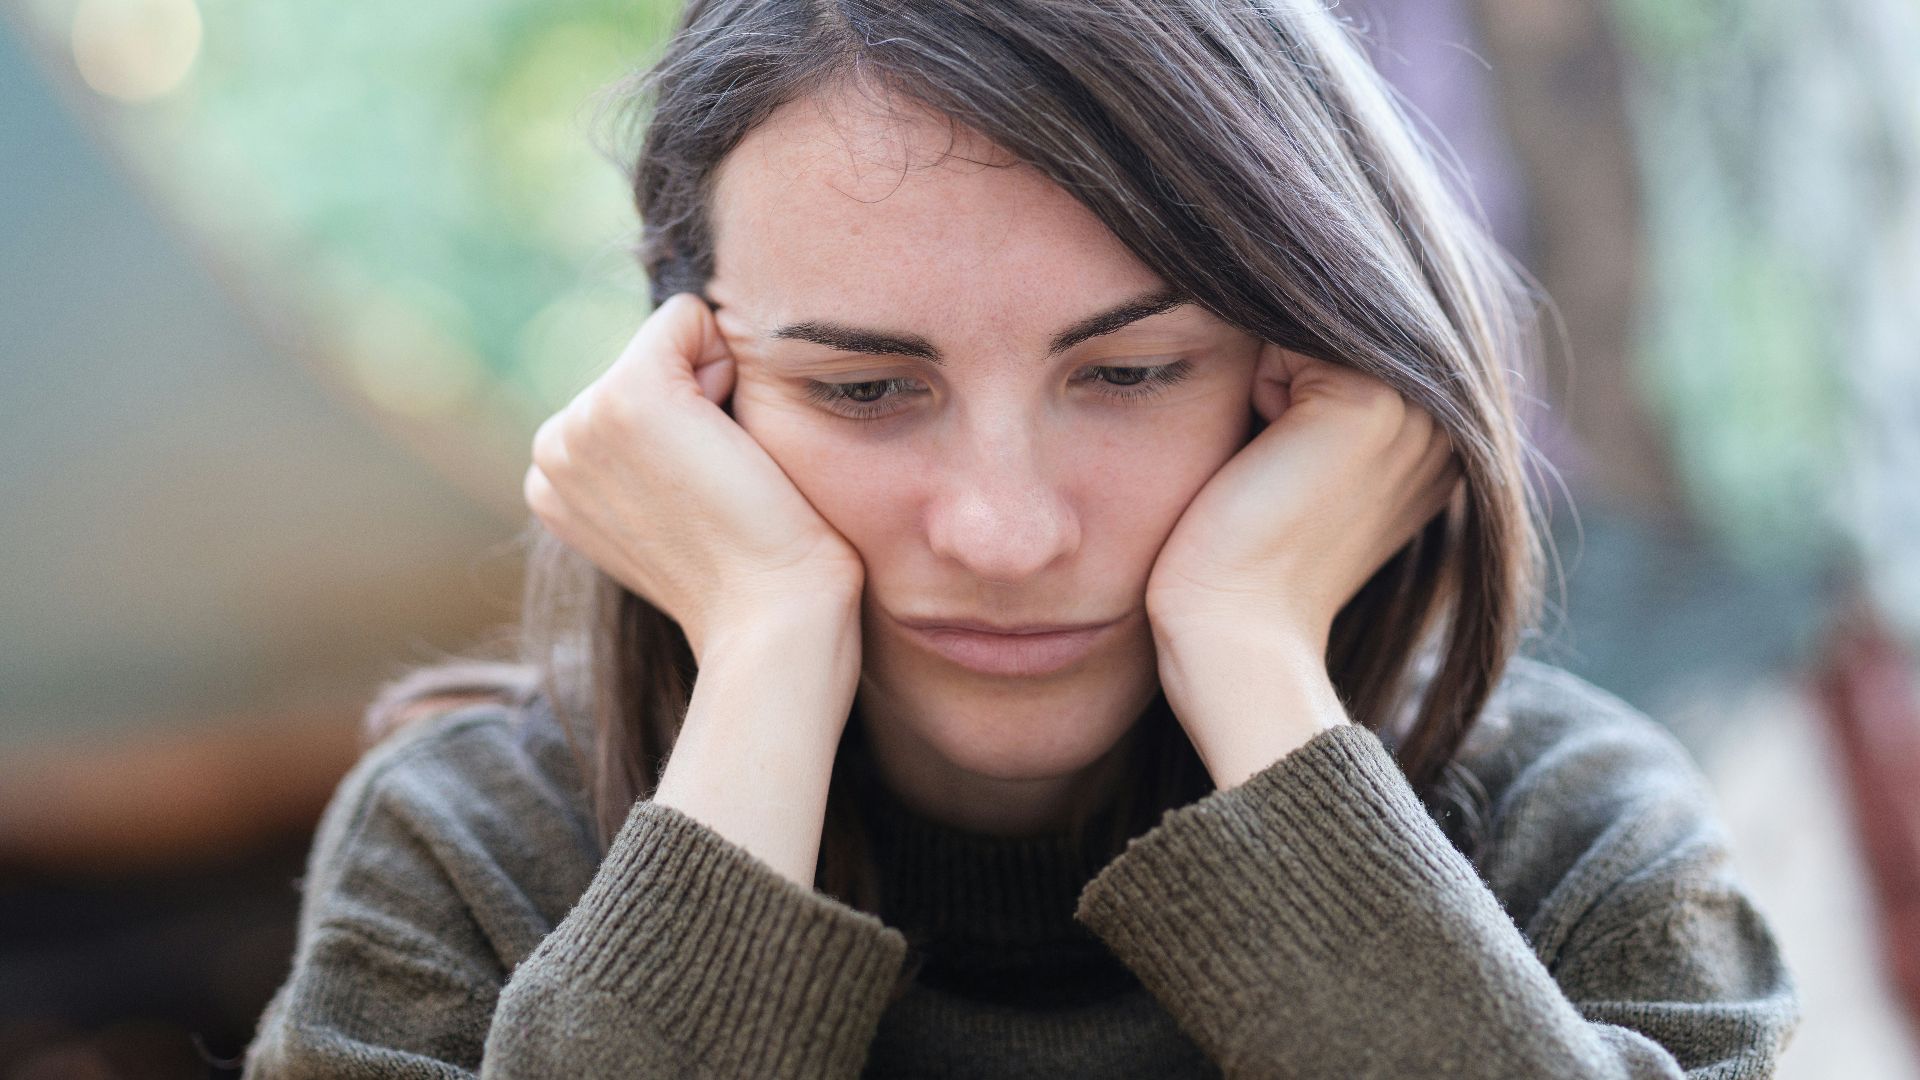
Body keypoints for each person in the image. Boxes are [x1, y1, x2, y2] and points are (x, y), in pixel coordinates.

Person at [242, 0, 1798, 1076]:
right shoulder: (470, 857)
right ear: (688, 386)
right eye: (862, 387)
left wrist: (1248, 652)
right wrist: (769, 652)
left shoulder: (1570, 846)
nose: (1001, 529)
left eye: (1127, 374)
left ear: (1314, 373)